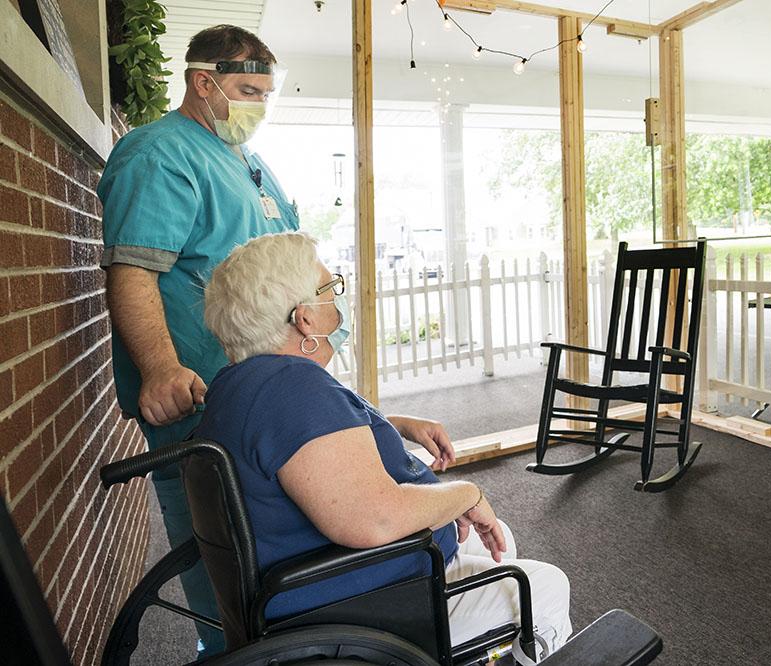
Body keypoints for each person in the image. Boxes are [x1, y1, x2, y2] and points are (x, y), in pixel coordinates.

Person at [194, 232, 572, 663]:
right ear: (304, 319)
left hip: (322, 583)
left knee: (499, 539)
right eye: (327, 289)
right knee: (545, 587)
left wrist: (392, 427)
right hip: (359, 603)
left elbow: (307, 451)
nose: (337, 299)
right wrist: (468, 493)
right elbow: (373, 520)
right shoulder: (292, 387)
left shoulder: (237, 385)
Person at [98, 25, 297, 654]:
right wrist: (159, 367)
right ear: (202, 82)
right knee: (224, 566)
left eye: (265, 94)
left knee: (276, 547)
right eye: (245, 90)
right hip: (201, 401)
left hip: (264, 389)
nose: (256, 107)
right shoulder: (159, 153)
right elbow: (134, 272)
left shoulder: (247, 161)